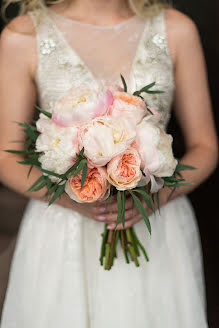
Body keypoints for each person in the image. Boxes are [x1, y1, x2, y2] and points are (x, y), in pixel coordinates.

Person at [0, 0, 218, 326]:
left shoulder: (176, 29)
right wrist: (74, 201)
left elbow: (205, 146)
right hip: (63, 231)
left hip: (156, 225)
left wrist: (157, 199)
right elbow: (7, 156)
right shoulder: (23, 35)